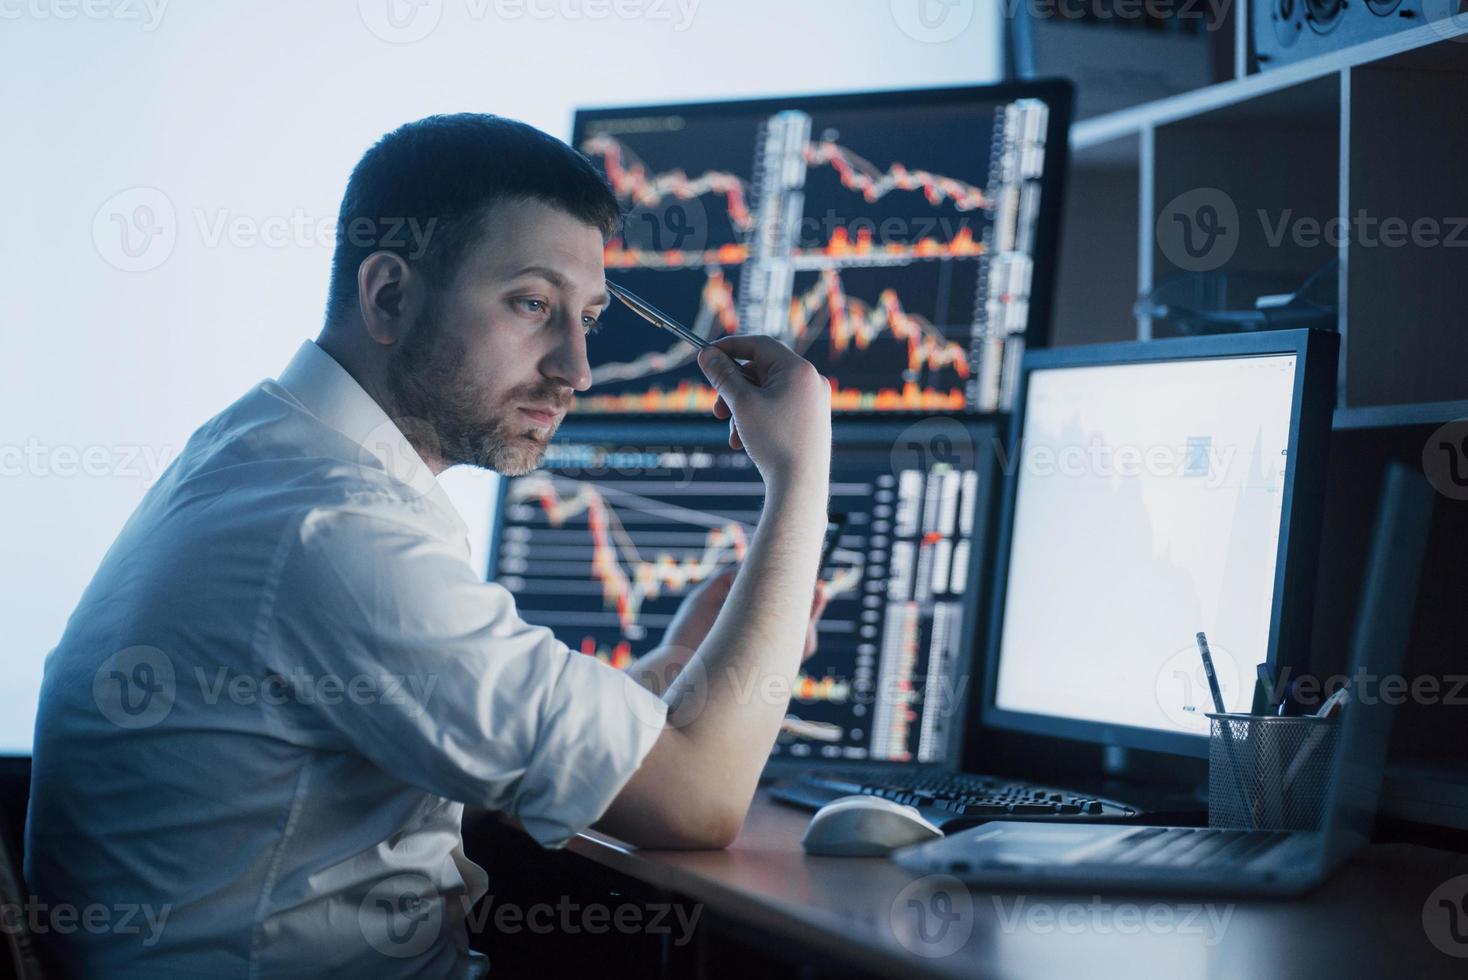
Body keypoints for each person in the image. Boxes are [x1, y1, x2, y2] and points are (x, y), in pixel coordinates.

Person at [25, 113, 832, 978]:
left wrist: (677, 661)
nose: (576, 368)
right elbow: (698, 800)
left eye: (587, 317)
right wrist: (798, 475)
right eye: (531, 304)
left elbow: (531, 745)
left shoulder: (264, 453)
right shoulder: (337, 532)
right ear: (389, 296)